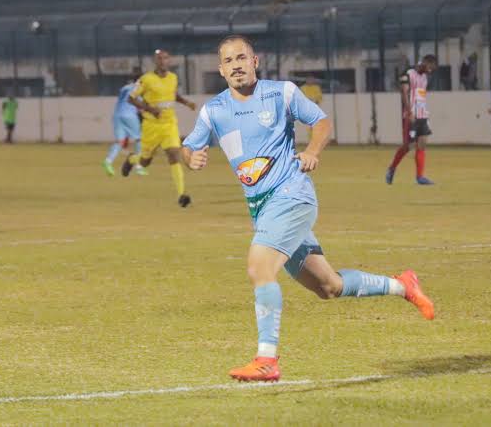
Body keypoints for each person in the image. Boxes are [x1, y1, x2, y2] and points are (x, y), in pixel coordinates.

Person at [182, 35, 435, 382]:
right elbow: (189, 146)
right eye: (228, 60)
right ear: (221, 69)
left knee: (260, 266)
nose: (236, 65)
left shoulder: (281, 93)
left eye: (242, 57)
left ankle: (266, 359)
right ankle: (403, 285)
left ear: (255, 61)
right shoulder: (214, 111)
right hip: (263, 210)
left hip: (292, 195)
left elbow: (322, 123)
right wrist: (191, 156)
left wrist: (313, 150)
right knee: (328, 286)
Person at [122, 49, 196, 207]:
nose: (163, 61)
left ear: (169, 61)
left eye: (165, 58)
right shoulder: (146, 79)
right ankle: (131, 159)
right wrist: (150, 110)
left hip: (169, 125)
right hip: (151, 126)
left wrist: (186, 102)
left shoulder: (173, 78)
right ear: (155, 61)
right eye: (160, 59)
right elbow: (131, 98)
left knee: (174, 154)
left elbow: (173, 95)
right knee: (145, 161)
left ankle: (182, 195)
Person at [386, 54, 437, 185]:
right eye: (429, 67)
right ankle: (392, 168)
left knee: (422, 143)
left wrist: (425, 113)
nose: (430, 70)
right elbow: (404, 93)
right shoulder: (408, 74)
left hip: (422, 115)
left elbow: (421, 96)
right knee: (407, 147)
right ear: (425, 62)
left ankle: (420, 177)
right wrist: (409, 112)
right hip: (411, 116)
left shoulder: (425, 78)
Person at [103, 74, 147, 176]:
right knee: (139, 139)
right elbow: (140, 106)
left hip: (117, 115)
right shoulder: (139, 89)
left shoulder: (124, 87)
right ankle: (139, 167)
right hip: (129, 115)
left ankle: (108, 161)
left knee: (120, 142)